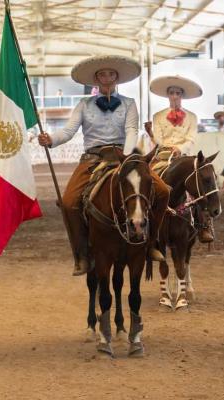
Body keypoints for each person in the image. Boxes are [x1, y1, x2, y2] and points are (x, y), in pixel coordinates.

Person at [37, 55, 170, 276]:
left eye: (111, 74)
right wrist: (51, 139)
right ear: (95, 79)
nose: (107, 78)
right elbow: (69, 131)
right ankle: (82, 254)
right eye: (102, 74)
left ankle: (151, 243)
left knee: (163, 191)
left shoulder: (129, 103)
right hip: (93, 158)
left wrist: (126, 157)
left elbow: (131, 130)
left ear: (117, 77)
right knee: (69, 202)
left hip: (124, 154)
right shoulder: (84, 104)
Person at [145, 75, 215, 243]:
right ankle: (147, 220)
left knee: (200, 184)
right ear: (168, 96)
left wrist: (180, 149)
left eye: (178, 93)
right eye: (172, 93)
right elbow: (159, 138)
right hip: (163, 156)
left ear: (181, 96)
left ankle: (205, 226)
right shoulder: (158, 116)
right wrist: (169, 148)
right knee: (148, 181)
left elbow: (191, 138)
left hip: (184, 156)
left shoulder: (192, 117)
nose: (175, 96)